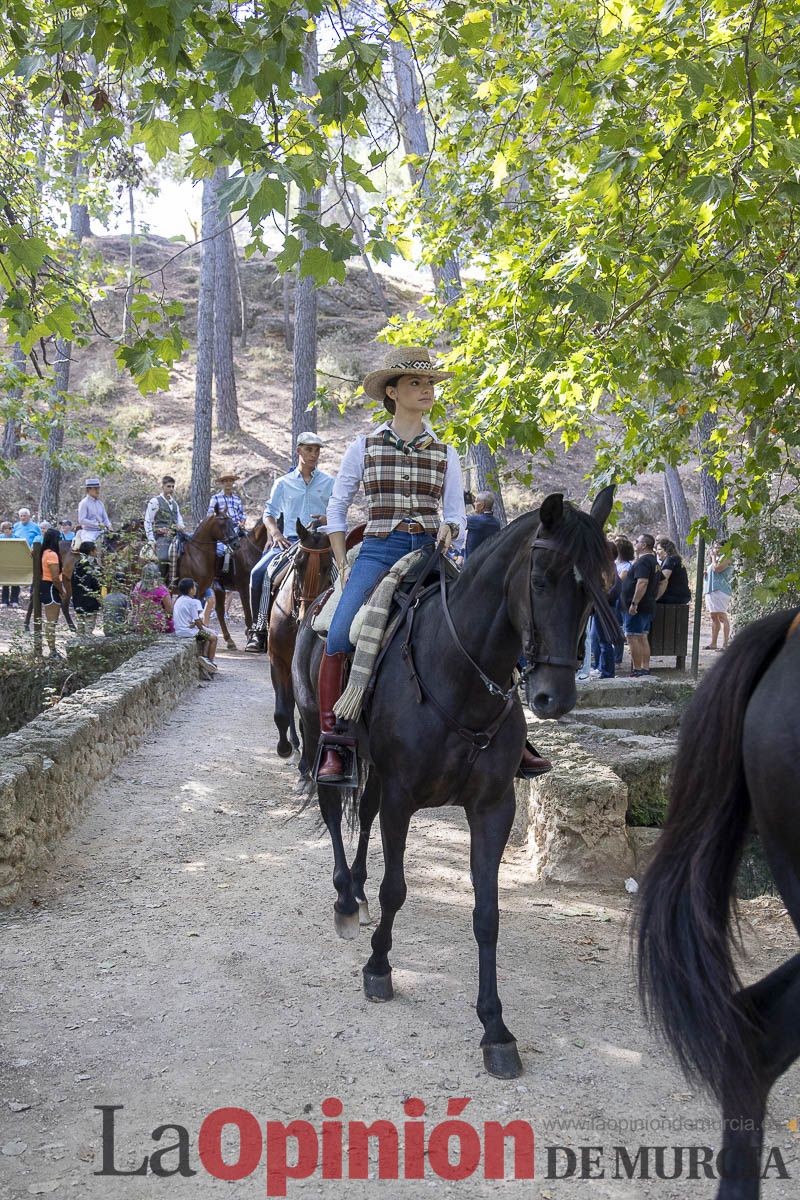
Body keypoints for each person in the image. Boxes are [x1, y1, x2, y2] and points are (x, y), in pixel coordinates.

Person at [318, 345, 550, 782]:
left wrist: (452, 528)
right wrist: (342, 562)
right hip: (379, 551)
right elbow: (337, 508)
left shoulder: (446, 452)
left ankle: (515, 740)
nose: (427, 390)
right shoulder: (362, 447)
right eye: (415, 383)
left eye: (429, 383)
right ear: (392, 391)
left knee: (490, 627)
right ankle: (336, 743)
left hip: (429, 552)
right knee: (339, 633)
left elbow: (454, 512)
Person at [245, 432, 335, 652]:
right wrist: (275, 534)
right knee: (259, 573)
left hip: (321, 543)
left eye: (317, 450)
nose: (314, 454)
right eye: (309, 449)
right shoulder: (283, 483)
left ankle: (339, 626)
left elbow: (338, 512)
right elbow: (269, 513)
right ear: (299, 451)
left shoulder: (329, 482)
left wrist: (327, 518)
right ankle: (258, 630)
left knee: (342, 576)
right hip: (290, 541)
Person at [621, 533, 660, 676]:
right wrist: (653, 596)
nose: (634, 542)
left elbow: (642, 582)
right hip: (647, 605)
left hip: (637, 608)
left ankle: (637, 670)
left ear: (643, 545)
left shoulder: (643, 562)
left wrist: (634, 603)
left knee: (632, 636)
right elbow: (662, 581)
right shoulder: (654, 562)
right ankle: (645, 668)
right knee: (642, 637)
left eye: (637, 541)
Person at [172, 577, 218, 675]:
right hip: (188, 632)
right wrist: (203, 629)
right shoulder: (192, 602)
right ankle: (211, 662)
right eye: (194, 587)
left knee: (206, 638)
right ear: (191, 589)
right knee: (213, 638)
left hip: (179, 630)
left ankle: (204, 657)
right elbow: (197, 620)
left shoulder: (178, 600)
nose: (195, 589)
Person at [144, 475, 186, 577]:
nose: (171, 489)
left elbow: (179, 519)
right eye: (168, 486)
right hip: (161, 536)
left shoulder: (175, 503)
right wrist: (151, 539)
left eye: (172, 486)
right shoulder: (155, 501)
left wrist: (180, 526)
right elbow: (147, 521)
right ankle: (159, 582)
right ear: (162, 486)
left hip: (175, 535)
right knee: (162, 558)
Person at [207, 472, 246, 568]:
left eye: (231, 481)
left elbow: (242, 514)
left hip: (237, 529)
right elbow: (210, 515)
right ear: (222, 483)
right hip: (223, 531)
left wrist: (242, 523)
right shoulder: (215, 498)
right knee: (222, 551)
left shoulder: (237, 499)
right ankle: (221, 573)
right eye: (226, 481)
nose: (228, 483)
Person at [39, 526, 65, 657]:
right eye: (59, 538)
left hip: (46, 586)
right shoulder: (52, 554)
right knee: (52, 622)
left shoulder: (44, 552)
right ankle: (52, 651)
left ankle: (52, 649)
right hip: (50, 587)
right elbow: (55, 577)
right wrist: (62, 590)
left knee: (51, 622)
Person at [704, 541, 733, 650]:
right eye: (715, 548)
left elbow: (717, 569)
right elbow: (713, 570)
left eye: (719, 548)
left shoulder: (728, 558)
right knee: (713, 616)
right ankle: (713, 643)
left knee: (722, 616)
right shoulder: (715, 559)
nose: (716, 550)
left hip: (721, 590)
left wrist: (713, 557)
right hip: (710, 589)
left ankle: (725, 644)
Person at [71, 541, 102, 639]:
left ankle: (79, 647)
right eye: (95, 549)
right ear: (91, 552)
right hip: (90, 601)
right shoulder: (93, 566)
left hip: (78, 600)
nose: (96, 551)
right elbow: (96, 583)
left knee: (80, 628)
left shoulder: (77, 565)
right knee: (89, 628)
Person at [131, 562, 174, 632]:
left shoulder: (137, 586)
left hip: (140, 622)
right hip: (157, 623)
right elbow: (169, 610)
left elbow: (134, 604)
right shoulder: (161, 588)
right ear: (157, 574)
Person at [76, 477, 112, 548]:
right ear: (89, 489)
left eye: (98, 488)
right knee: (89, 548)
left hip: (102, 531)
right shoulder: (84, 503)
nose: (98, 490)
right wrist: (97, 524)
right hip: (89, 532)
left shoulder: (100, 503)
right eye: (95, 488)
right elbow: (81, 520)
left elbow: (105, 518)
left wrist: (109, 525)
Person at [464, 490, 502, 559]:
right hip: (486, 564)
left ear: (482, 505)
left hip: (471, 566)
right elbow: (480, 515)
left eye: (475, 501)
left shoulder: (475, 521)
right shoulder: (496, 522)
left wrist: (462, 503)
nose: (474, 503)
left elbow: (459, 522)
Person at [655, 537, 691, 605]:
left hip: (672, 597)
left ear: (666, 550)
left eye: (659, 549)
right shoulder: (676, 559)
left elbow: (663, 579)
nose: (657, 552)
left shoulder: (670, 560)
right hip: (682, 596)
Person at [1, 520, 21, 608]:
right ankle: (4, 601)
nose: (7, 530)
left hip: (15, 562)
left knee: (15, 582)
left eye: (9, 528)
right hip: (4, 562)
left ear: (12, 529)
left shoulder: (17, 538)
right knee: (5, 582)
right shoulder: (0, 537)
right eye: (5, 528)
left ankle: (15, 601)